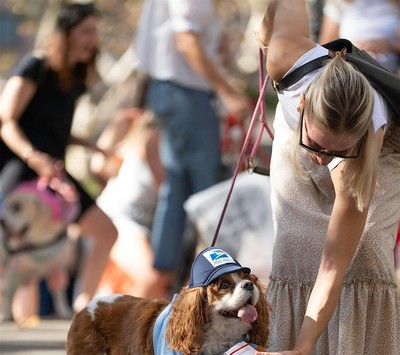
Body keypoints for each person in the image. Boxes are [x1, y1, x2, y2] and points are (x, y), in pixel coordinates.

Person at [249, 0, 400, 355]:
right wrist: (265, 26)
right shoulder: (288, 62)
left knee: (368, 246)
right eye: (321, 146)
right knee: (295, 243)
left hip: (378, 159)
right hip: (294, 141)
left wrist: (305, 346)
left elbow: (334, 265)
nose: (324, 159)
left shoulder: (362, 143)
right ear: (304, 111)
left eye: (335, 150)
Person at [0, 2, 117, 320]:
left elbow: (51, 128)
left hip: (52, 170)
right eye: (86, 31)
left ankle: (82, 308)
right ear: (66, 33)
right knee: (11, 243)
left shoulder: (75, 78)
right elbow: (6, 120)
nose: (93, 39)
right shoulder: (35, 65)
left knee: (106, 231)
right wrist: (32, 157)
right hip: (20, 166)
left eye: (95, 32)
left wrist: (88, 144)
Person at [134, 0, 251, 290]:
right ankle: (208, 280)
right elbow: (186, 41)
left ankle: (165, 280)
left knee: (178, 190)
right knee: (207, 192)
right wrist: (226, 90)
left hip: (175, 91)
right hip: (185, 94)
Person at [91, 108, 171, 299]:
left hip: (136, 222)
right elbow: (165, 186)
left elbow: (98, 165)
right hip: (120, 220)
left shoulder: (144, 141)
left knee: (157, 281)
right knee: (150, 278)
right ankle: (124, 327)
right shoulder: (151, 139)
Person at [319, 0, 400, 73]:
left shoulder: (395, 4)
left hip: (390, 76)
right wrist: (352, 49)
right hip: (351, 75)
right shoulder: (339, 4)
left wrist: (391, 46)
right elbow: (325, 49)